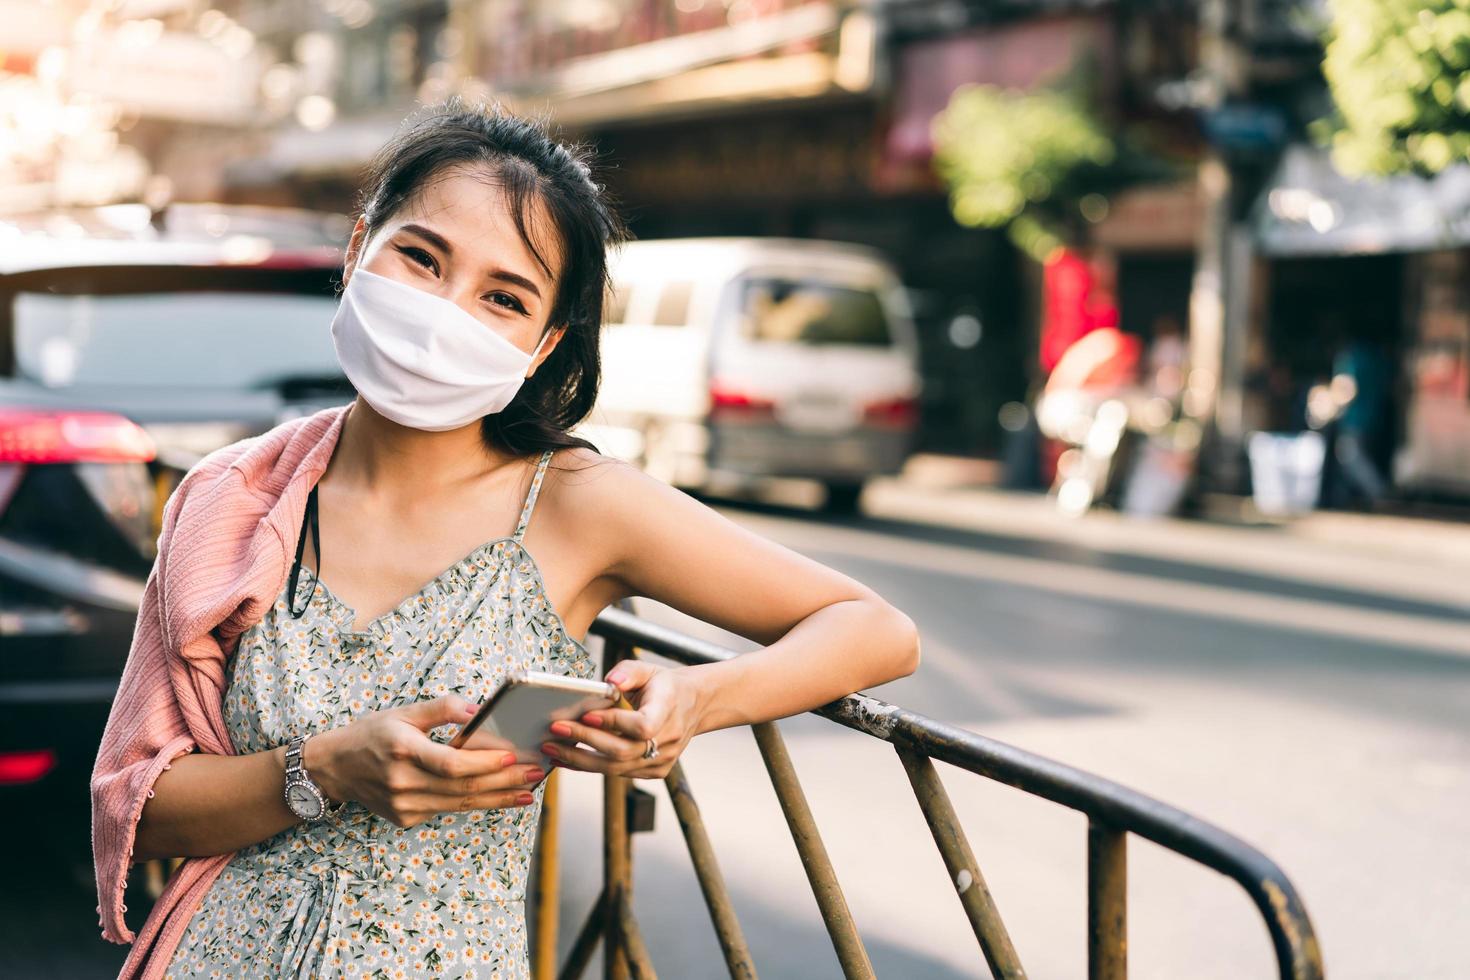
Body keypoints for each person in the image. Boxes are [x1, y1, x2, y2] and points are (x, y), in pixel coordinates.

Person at [90, 100, 920, 979]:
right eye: (421, 257)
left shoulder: (579, 505)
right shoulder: (232, 498)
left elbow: (873, 628)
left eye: (503, 298)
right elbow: (138, 809)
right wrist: (328, 770)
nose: (445, 313)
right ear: (357, 249)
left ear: (545, 342)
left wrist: (697, 701)